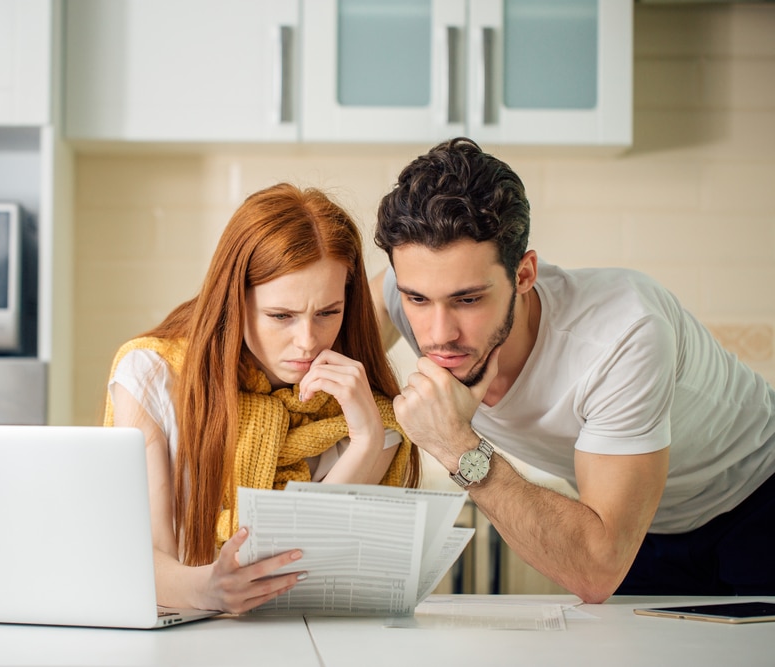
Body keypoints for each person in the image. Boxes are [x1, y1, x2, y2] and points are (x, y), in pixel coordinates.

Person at [371, 137, 775, 603]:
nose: (439, 333)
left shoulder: (622, 334)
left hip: (758, 500)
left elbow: (596, 570)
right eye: (418, 298)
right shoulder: (399, 295)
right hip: (637, 528)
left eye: (468, 299)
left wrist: (455, 445)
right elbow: (304, 372)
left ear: (524, 275)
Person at [104, 182, 420, 614]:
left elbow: (303, 560)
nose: (307, 341)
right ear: (234, 301)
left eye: (328, 312)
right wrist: (211, 589)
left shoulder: (368, 411)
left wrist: (366, 442)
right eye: (280, 316)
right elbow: (144, 561)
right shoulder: (152, 376)